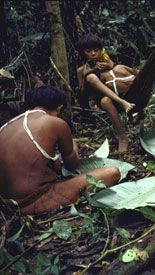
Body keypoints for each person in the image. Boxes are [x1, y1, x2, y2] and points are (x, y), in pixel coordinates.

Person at [0, 86, 121, 215]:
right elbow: (72, 164)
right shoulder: (55, 122)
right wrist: (73, 145)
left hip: (6, 203)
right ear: (59, 107)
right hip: (32, 202)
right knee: (112, 173)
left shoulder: (6, 127)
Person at [76, 33, 155, 152]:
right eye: (88, 51)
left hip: (129, 95)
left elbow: (124, 74)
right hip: (111, 100)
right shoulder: (82, 71)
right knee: (104, 99)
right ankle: (122, 137)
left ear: (101, 50)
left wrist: (111, 65)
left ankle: (137, 111)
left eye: (96, 50)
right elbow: (83, 92)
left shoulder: (107, 60)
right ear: (83, 52)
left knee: (122, 70)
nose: (93, 53)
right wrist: (91, 73)